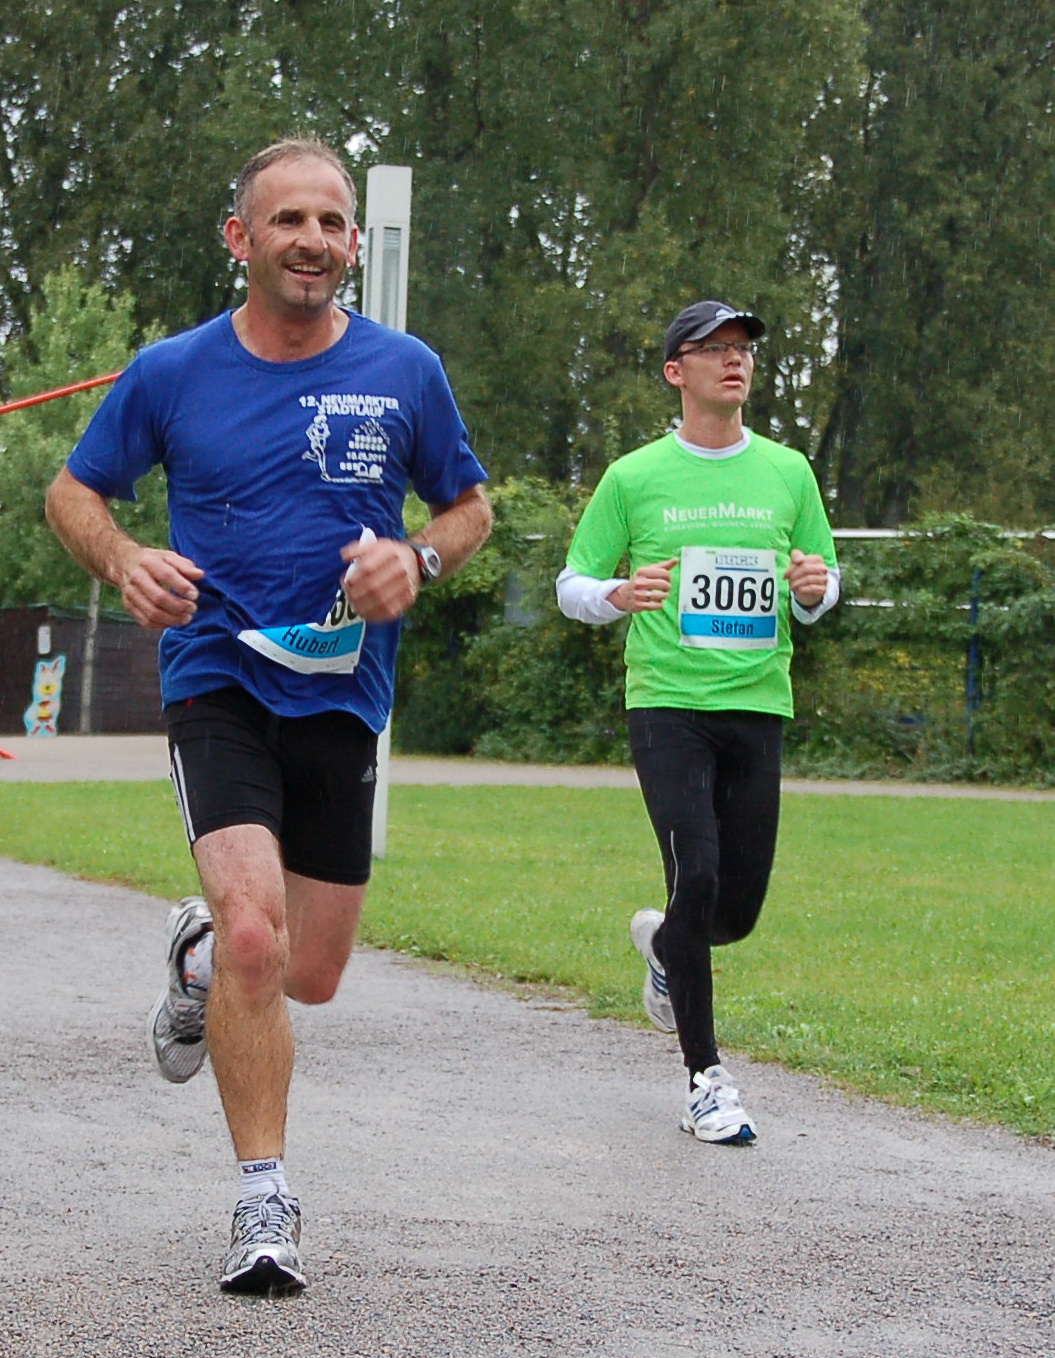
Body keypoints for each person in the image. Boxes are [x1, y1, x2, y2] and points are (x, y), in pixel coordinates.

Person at [45, 138, 491, 1293]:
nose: (313, 240)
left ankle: (193, 966)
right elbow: (74, 489)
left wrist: (417, 561)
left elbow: (469, 508)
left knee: (312, 971)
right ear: (240, 239)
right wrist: (126, 557)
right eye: (287, 219)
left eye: (332, 222)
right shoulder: (173, 370)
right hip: (217, 677)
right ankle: (263, 1203)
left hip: (344, 692)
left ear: (353, 243)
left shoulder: (405, 371)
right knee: (258, 929)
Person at [556, 299, 838, 1145]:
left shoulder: (787, 472)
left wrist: (814, 589)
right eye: (712, 349)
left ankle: (667, 951)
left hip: (758, 704)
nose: (734, 361)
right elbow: (572, 584)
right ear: (675, 371)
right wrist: (617, 594)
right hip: (668, 706)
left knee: (734, 909)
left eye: (743, 349)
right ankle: (705, 1080)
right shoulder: (634, 477)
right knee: (699, 871)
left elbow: (821, 583)